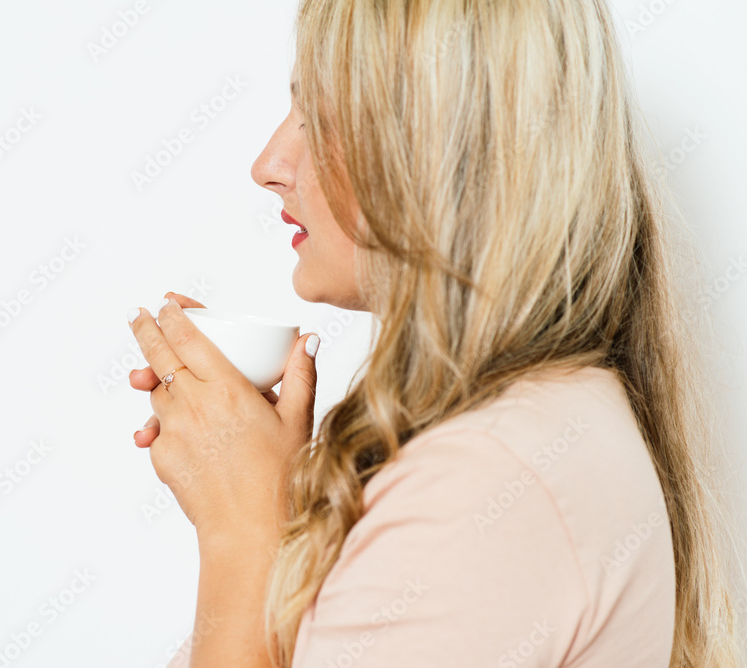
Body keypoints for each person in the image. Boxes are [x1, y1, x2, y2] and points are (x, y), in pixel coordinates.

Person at [127, 0, 745, 666]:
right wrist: (266, 487)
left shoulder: (483, 487)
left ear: (452, 151)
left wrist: (242, 527)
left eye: (322, 118)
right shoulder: (520, 439)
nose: (269, 164)